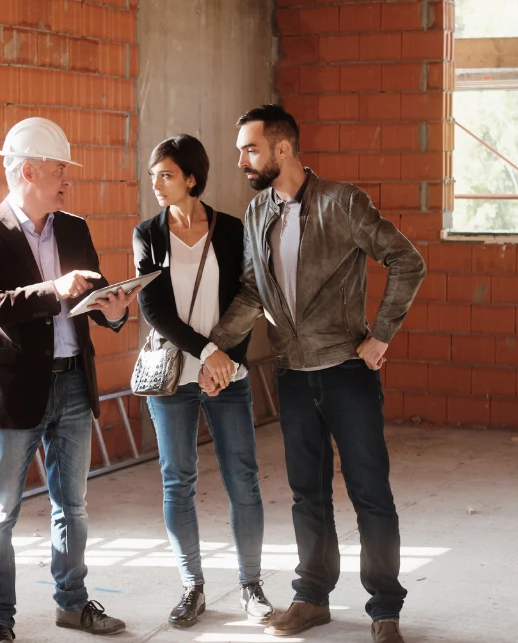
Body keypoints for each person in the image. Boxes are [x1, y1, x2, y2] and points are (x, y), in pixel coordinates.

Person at [199, 105, 426, 643]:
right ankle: (312, 596)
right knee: (307, 493)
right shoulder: (256, 213)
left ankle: (385, 608)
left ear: (282, 149)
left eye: (249, 149)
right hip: (293, 374)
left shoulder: (342, 202)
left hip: (347, 369)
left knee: (370, 491)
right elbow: (254, 293)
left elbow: (406, 260)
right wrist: (218, 350)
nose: (241, 161)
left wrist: (382, 335)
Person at [0, 116, 137, 643]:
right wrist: (52, 287)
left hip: (74, 384)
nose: (68, 180)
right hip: (14, 392)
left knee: (72, 506)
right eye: (61, 169)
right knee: (0, 511)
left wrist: (115, 308)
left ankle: (73, 605)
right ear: (28, 171)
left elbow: (91, 301)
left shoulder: (74, 228)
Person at [131, 135, 275, 629]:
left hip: (227, 375)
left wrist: (227, 362)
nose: (156, 183)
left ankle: (251, 585)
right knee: (178, 480)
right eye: (153, 175)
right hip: (174, 377)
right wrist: (208, 353)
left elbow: (247, 300)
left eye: (166, 174)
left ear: (192, 178)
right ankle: (191, 586)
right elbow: (154, 310)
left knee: (243, 478)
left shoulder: (231, 231)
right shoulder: (147, 234)